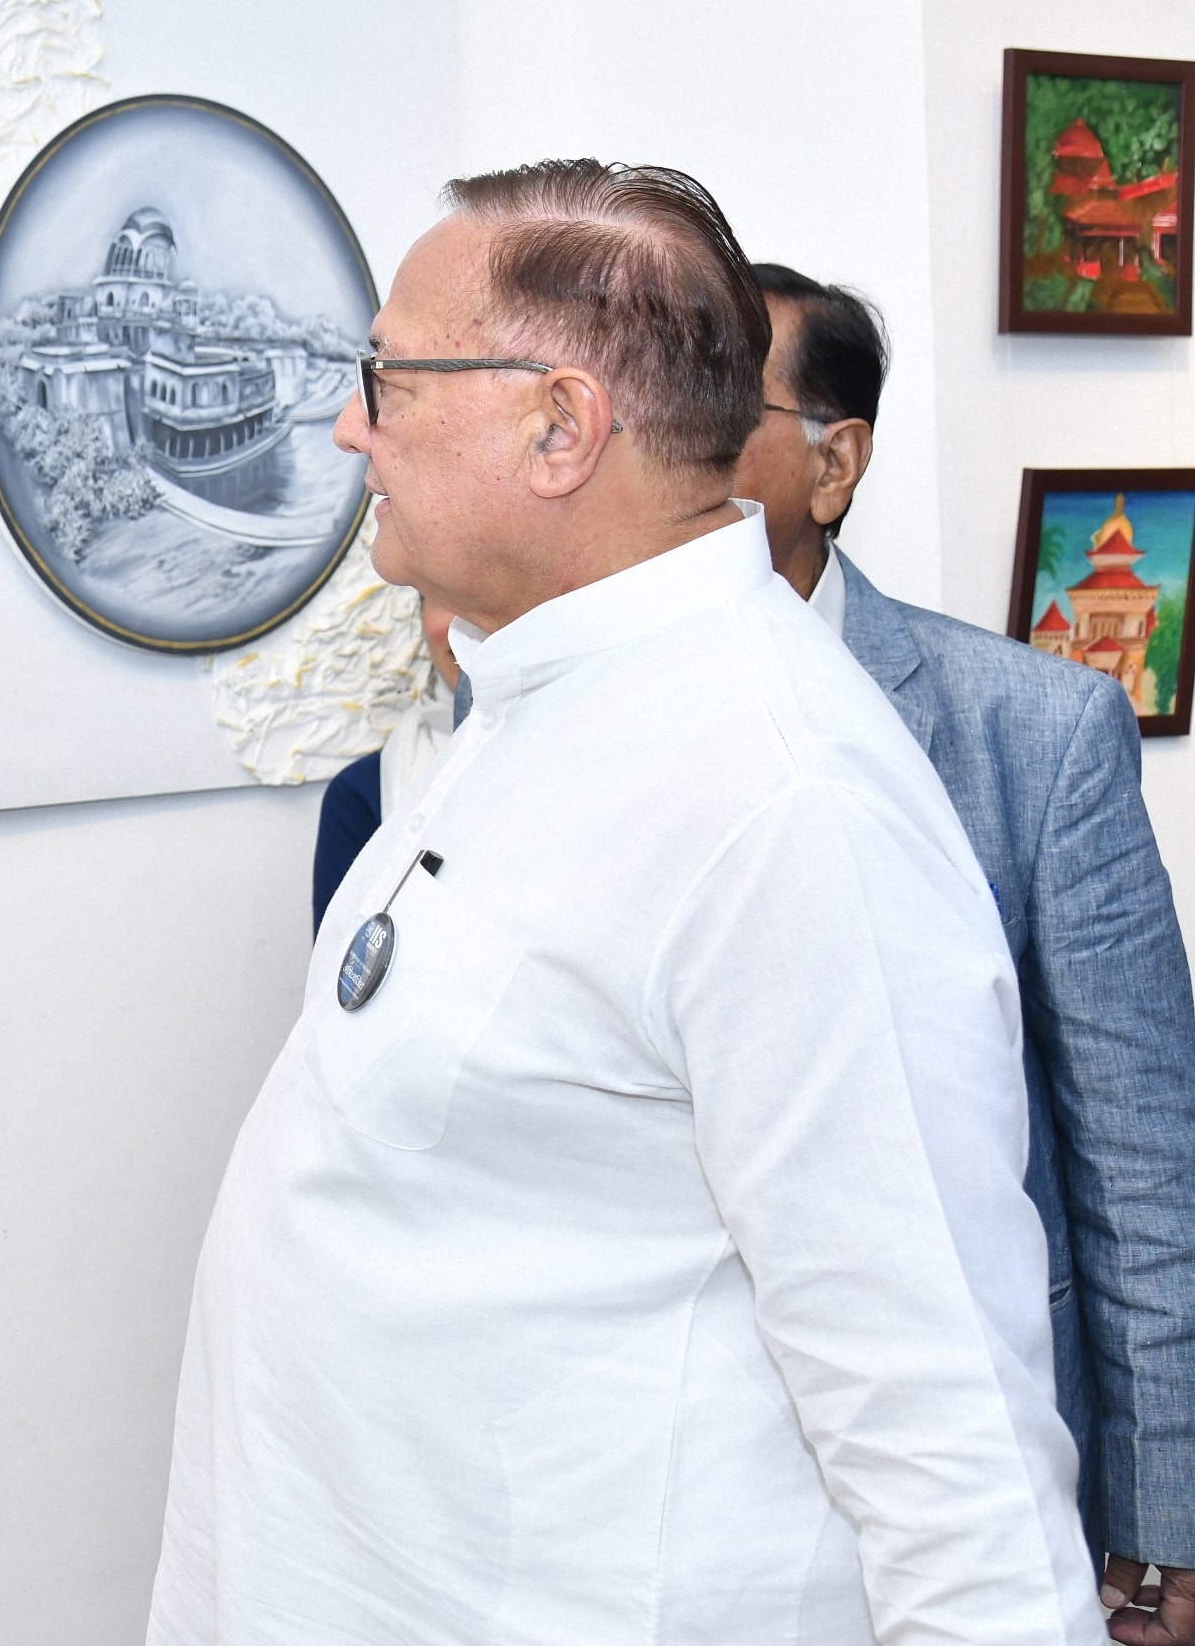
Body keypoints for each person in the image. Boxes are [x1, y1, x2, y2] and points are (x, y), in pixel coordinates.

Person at [149, 161, 1093, 1644]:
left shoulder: (789, 802)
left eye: (388, 379)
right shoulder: (528, 690)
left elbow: (951, 1453)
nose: (348, 425)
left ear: (560, 426)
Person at [734, 262, 1195, 1646]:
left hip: (978, 1478)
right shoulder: (556, 726)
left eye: (720, 405)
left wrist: (1161, 1526)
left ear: (834, 463)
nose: (669, 443)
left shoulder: (1030, 735)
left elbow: (1141, 1166)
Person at [309, 602, 461, 932]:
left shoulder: (575, 765)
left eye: (483, 590)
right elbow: (343, 960)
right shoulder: (360, 795)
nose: (465, 625)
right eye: (443, 598)